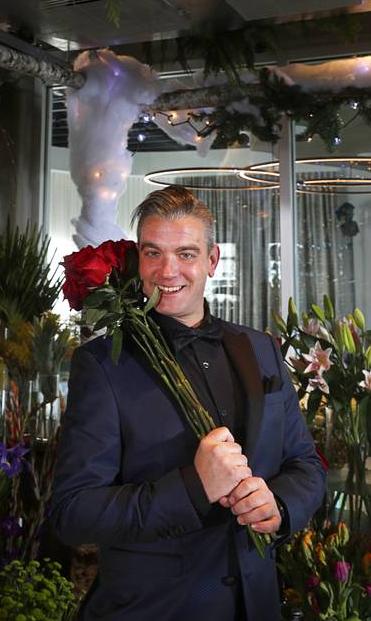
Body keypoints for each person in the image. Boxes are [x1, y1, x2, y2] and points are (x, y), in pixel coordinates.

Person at [51, 186, 326, 621]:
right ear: (137, 259)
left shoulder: (261, 349)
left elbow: (306, 464)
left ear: (212, 261)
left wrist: (280, 504)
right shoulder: (102, 365)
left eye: (186, 254)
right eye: (153, 253)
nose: (167, 270)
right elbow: (72, 512)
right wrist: (195, 488)